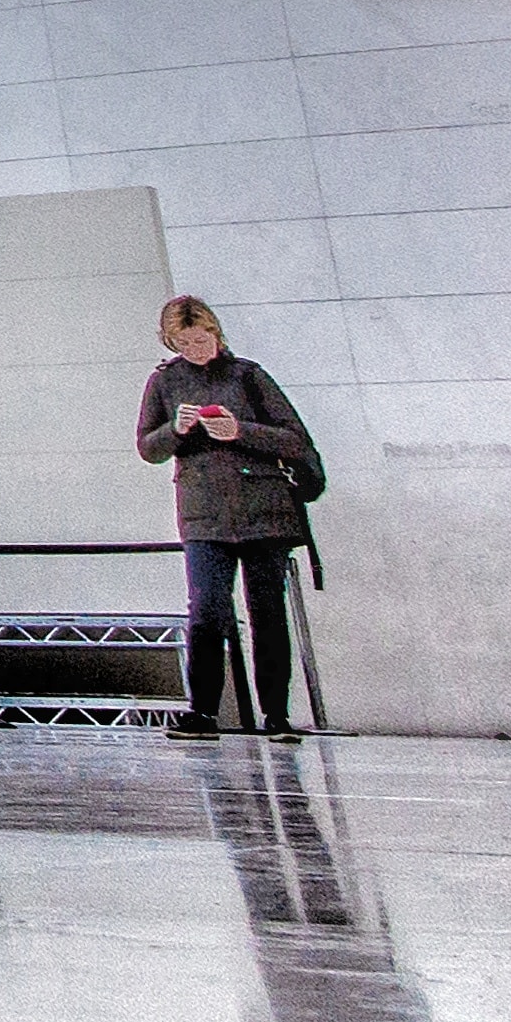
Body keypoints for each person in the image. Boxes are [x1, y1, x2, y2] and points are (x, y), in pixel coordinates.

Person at [138, 294, 323, 743]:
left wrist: (241, 430)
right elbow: (147, 447)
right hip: (203, 515)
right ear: (170, 340)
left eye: (200, 339)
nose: (194, 350)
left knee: (268, 615)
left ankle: (275, 715)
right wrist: (176, 431)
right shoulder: (164, 382)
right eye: (183, 342)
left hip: (264, 510)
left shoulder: (249, 375)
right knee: (205, 611)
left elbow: (294, 440)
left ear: (216, 333)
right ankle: (201, 712)